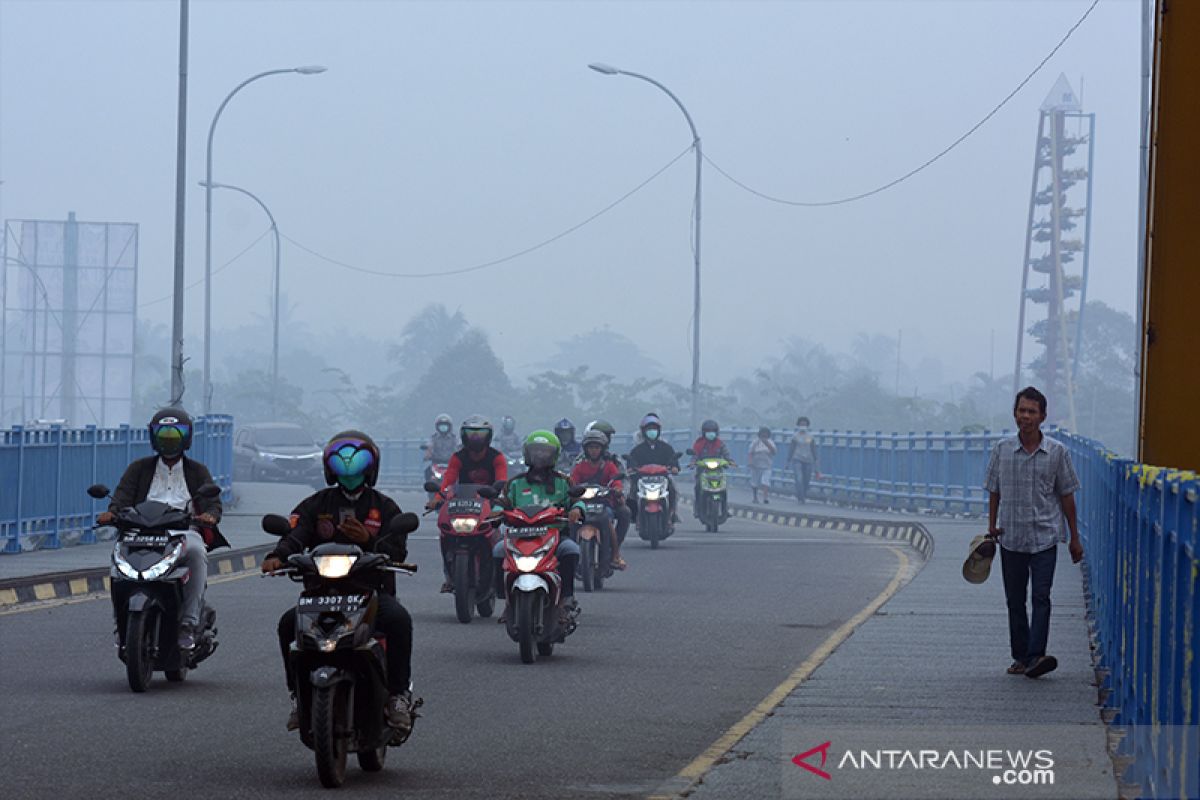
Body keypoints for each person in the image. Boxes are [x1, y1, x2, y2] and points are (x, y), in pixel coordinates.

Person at [261, 431, 418, 734]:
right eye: (341, 462)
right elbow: (295, 535)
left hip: (369, 593)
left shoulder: (385, 507)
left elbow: (397, 550)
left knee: (399, 621)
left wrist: (369, 540)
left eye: (357, 462)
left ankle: (398, 696)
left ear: (371, 468)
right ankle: (297, 695)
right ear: (329, 468)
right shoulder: (315, 504)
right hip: (320, 593)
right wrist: (278, 555)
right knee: (286, 625)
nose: (349, 470)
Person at [99, 407, 227, 650]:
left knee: (198, 553)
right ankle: (121, 623)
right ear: (153, 436)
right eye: (163, 434)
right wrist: (112, 513)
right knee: (116, 561)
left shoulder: (197, 471)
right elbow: (121, 497)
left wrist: (210, 515)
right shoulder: (138, 469)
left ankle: (188, 623)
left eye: (175, 434)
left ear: (187, 437)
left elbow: (213, 502)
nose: (169, 440)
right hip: (139, 532)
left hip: (183, 532)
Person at [984, 386, 1083, 679]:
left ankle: (1036, 655)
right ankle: (1021, 656)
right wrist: (991, 526)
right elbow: (993, 490)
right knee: (1015, 599)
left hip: (1045, 537)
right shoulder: (1001, 450)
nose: (1025, 416)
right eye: (1021, 411)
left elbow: (1067, 495)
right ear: (1015, 414)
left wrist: (1074, 538)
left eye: (1032, 411)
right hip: (1011, 536)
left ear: (1042, 416)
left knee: (1041, 596)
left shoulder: (1057, 453)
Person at [492, 430, 584, 620]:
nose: (540, 456)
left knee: (571, 550)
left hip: (554, 536)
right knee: (498, 550)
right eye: (536, 451)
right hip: (519, 537)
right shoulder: (515, 483)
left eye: (545, 452)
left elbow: (577, 500)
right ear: (527, 454)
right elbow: (501, 502)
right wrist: (495, 511)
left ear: (554, 455)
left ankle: (567, 596)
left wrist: (577, 510)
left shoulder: (564, 482)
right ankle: (506, 599)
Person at [426, 415, 508, 593]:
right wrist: (437, 499)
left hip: (490, 504)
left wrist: (499, 498)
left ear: (489, 436)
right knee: (445, 533)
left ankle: (500, 577)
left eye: (480, 434)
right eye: (471, 434)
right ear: (464, 436)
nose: (476, 439)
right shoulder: (458, 457)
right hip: (463, 503)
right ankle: (449, 574)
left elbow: (502, 480)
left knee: (500, 538)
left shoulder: (497, 457)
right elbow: (448, 481)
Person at [570, 428, 627, 570]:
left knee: (608, 521)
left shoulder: (609, 466)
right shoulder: (579, 467)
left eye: (596, 447)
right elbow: (572, 482)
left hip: (603, 503)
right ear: (586, 449)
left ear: (602, 449)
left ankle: (615, 555)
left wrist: (618, 489)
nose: (593, 451)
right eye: (591, 447)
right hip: (582, 504)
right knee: (570, 522)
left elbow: (616, 481)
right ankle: (568, 555)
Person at [626, 413, 681, 527]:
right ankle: (634, 515)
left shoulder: (666, 447)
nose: (652, 432)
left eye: (654, 429)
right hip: (643, 479)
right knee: (631, 491)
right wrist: (631, 469)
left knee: (673, 490)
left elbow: (673, 459)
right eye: (649, 429)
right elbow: (631, 461)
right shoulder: (638, 449)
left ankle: (672, 514)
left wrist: (674, 467)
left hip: (662, 479)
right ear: (644, 431)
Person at [584, 419, 631, 544]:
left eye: (605, 436)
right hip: (582, 501)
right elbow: (571, 480)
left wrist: (621, 494)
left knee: (625, 512)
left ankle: (614, 548)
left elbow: (623, 479)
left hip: (607, 500)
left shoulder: (614, 461)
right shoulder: (580, 462)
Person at [689, 419, 733, 512]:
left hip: (717, 471)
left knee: (724, 488)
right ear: (703, 432)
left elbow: (726, 454)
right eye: (708, 431)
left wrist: (729, 461)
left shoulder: (720, 444)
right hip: (703, 471)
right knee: (697, 486)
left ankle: (725, 508)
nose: (710, 433)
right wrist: (693, 463)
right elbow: (695, 455)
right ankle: (698, 507)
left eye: (712, 431)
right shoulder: (699, 444)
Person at [787, 416, 820, 504]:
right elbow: (791, 449)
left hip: (808, 460)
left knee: (806, 479)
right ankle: (801, 497)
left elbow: (813, 448)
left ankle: (802, 494)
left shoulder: (810, 436)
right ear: (798, 425)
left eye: (804, 424)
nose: (803, 426)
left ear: (807, 425)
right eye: (801, 424)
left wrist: (816, 460)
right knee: (799, 478)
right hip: (797, 459)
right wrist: (788, 461)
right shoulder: (795, 436)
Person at [747, 426, 778, 504]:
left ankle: (765, 497)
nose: (764, 436)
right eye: (762, 434)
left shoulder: (770, 442)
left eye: (766, 434)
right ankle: (755, 497)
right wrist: (750, 462)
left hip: (767, 466)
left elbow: (774, 452)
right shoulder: (755, 442)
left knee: (765, 481)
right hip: (756, 465)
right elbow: (751, 453)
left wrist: (767, 444)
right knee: (755, 482)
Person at [423, 413, 457, 481]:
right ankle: (430, 490)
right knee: (427, 471)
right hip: (437, 463)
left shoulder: (454, 438)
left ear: (449, 427)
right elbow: (429, 445)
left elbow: (459, 446)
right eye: (441, 425)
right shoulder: (434, 438)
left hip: (451, 464)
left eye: (445, 425)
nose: (443, 427)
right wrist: (428, 451)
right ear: (437, 426)